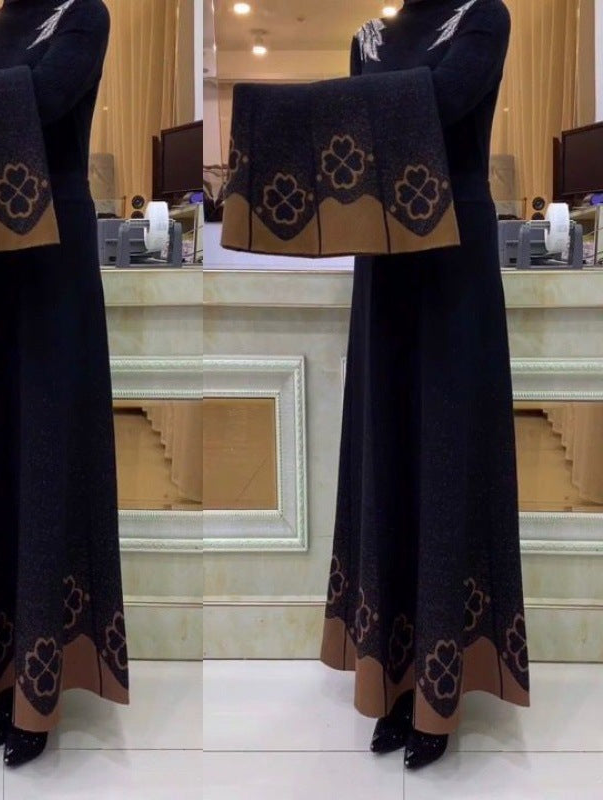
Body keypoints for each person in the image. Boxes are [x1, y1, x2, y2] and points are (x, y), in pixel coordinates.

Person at [0, 0, 129, 768]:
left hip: (52, 262)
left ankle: (36, 690)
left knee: (45, 455)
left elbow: (33, 105)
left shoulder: (83, 17)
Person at [320, 0, 529, 770]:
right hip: (383, 258)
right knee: (388, 454)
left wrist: (328, 113)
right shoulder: (370, 36)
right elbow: (356, 137)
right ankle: (393, 677)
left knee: (446, 455)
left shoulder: (483, 18)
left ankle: (439, 691)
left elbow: (434, 106)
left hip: (453, 263)